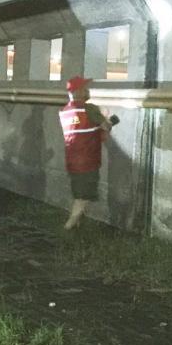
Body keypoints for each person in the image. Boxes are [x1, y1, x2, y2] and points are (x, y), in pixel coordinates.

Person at [59, 76, 114, 230]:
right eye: (85, 88)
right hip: (88, 161)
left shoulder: (64, 111)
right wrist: (107, 118)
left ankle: (77, 227)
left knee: (79, 193)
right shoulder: (89, 109)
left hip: (72, 160)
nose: (88, 91)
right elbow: (106, 126)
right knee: (83, 197)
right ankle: (68, 227)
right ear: (78, 91)